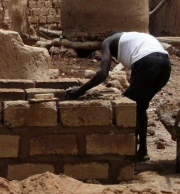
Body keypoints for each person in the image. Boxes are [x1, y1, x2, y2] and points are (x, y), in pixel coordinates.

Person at [65, 32, 171, 161]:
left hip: (147, 62)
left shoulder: (107, 42)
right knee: (140, 106)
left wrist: (80, 91)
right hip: (165, 65)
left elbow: (102, 73)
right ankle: (142, 151)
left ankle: (128, 155)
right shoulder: (131, 39)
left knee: (130, 106)